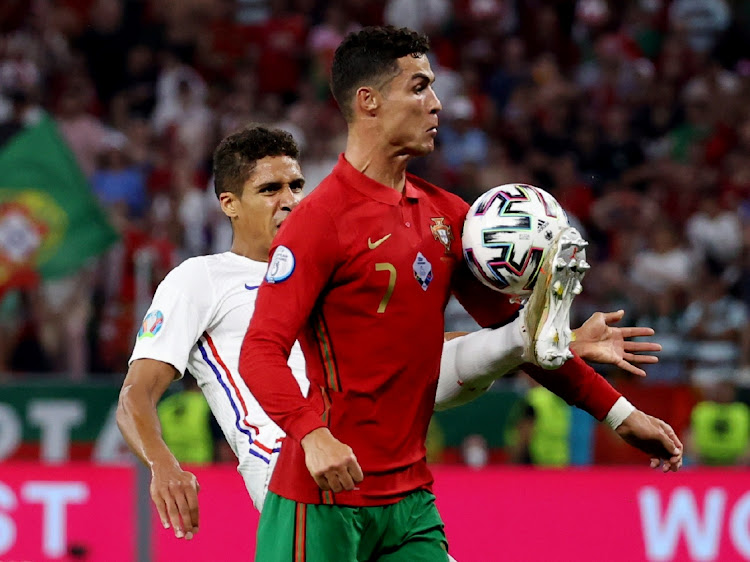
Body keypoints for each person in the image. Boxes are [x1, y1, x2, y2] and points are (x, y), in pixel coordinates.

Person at [239, 26, 682, 561]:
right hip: (324, 498)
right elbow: (259, 350)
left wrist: (621, 415)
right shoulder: (318, 223)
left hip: (410, 505)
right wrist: (311, 436)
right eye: (420, 87)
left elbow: (522, 336)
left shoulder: (449, 216)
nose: (437, 104)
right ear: (369, 101)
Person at [116, 125, 664, 545]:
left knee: (470, 345)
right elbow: (134, 396)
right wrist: (164, 464)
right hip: (296, 458)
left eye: (296, 184)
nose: (289, 198)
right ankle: (525, 332)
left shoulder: (327, 253)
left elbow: (408, 353)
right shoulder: (199, 280)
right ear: (228, 203)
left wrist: (559, 348)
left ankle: (530, 332)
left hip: (377, 443)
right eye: (269, 188)